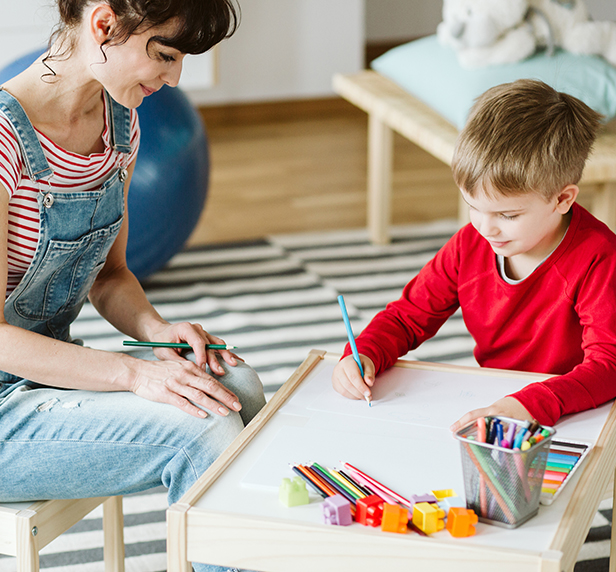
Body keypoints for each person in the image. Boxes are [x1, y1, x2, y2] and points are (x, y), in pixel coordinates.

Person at [0, 1, 265, 570]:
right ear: (103, 25)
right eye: (165, 55)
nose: (174, 78)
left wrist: (157, 331)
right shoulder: (4, 143)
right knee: (200, 429)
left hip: (40, 382)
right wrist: (135, 374)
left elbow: (111, 275)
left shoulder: (120, 125)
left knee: (236, 387)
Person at [332, 79, 616, 431]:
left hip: (576, 409)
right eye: (473, 207)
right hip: (500, 403)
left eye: (507, 216)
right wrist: (365, 353)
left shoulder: (599, 258)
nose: (487, 228)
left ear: (562, 200)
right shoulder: (471, 243)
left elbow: (609, 367)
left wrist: (528, 404)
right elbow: (409, 317)